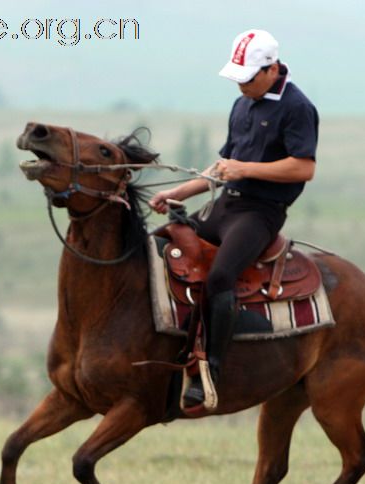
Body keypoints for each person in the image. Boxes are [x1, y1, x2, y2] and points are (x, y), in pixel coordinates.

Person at [150, 29, 319, 408]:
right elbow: (223, 166)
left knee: (222, 274)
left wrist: (246, 169)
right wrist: (178, 193)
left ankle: (212, 368)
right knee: (161, 243)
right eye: (237, 77)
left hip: (260, 213)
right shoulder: (242, 104)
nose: (241, 85)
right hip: (226, 204)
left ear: (271, 69)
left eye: (247, 78)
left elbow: (303, 168)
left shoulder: (297, 107)